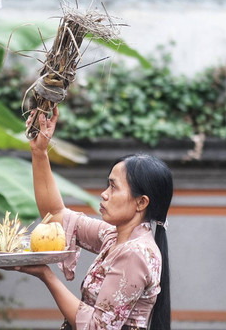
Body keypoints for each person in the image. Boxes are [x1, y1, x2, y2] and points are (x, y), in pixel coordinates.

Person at [11, 106, 173, 330]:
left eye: (114, 187)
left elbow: (98, 327)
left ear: (141, 202)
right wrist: (40, 152)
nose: (104, 194)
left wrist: (46, 275)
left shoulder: (135, 253)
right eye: (108, 184)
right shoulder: (114, 236)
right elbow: (56, 215)